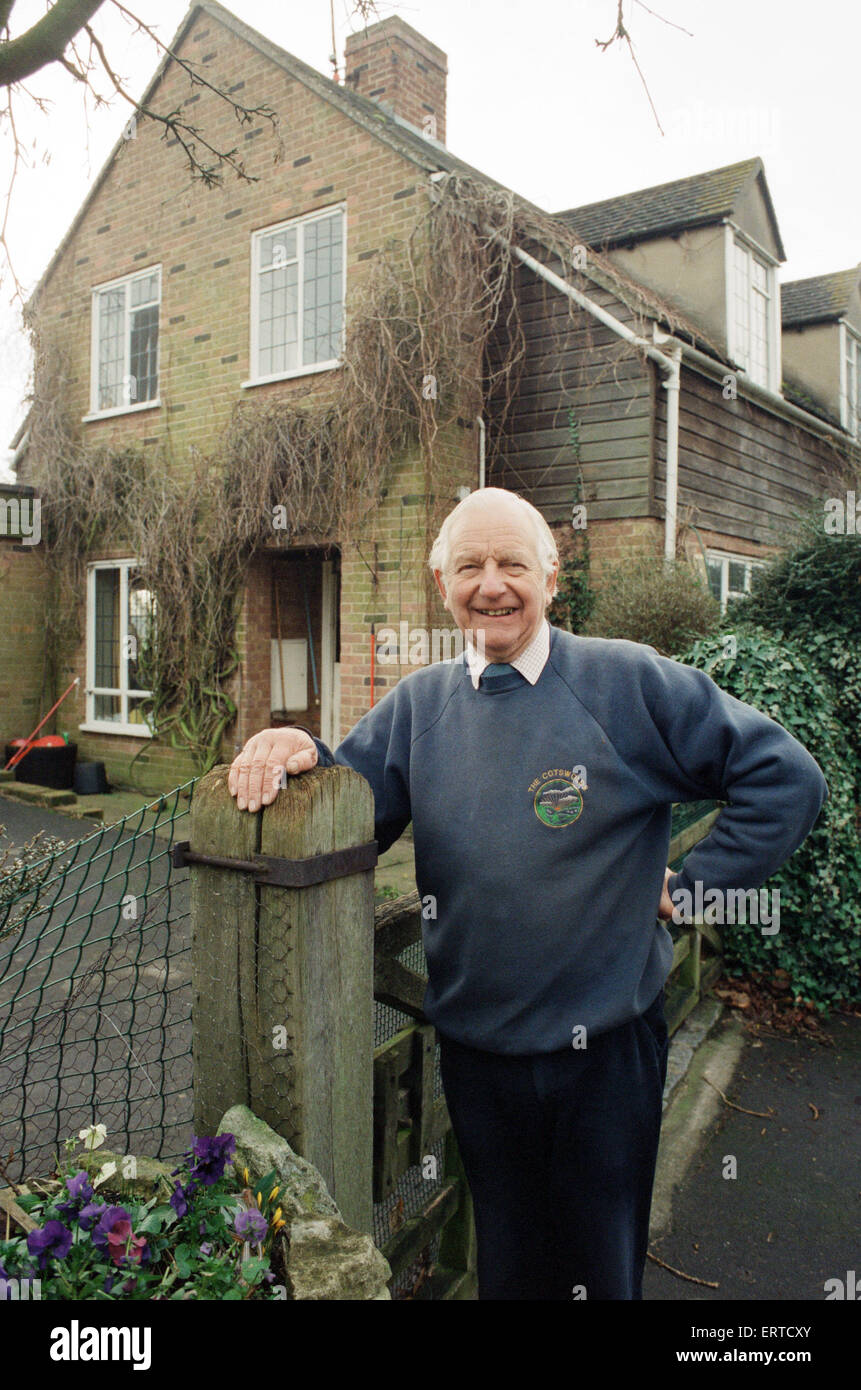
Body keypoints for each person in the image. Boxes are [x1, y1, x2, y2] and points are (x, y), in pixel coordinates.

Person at [228, 487, 828, 1300]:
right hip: (478, 1056)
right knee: (508, 1270)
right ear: (442, 584)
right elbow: (347, 808)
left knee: (599, 1271)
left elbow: (784, 778)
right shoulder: (417, 707)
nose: (492, 585)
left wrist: (694, 892)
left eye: (513, 563)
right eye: (469, 566)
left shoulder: (626, 682)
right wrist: (295, 742)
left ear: (550, 577)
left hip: (608, 1056)